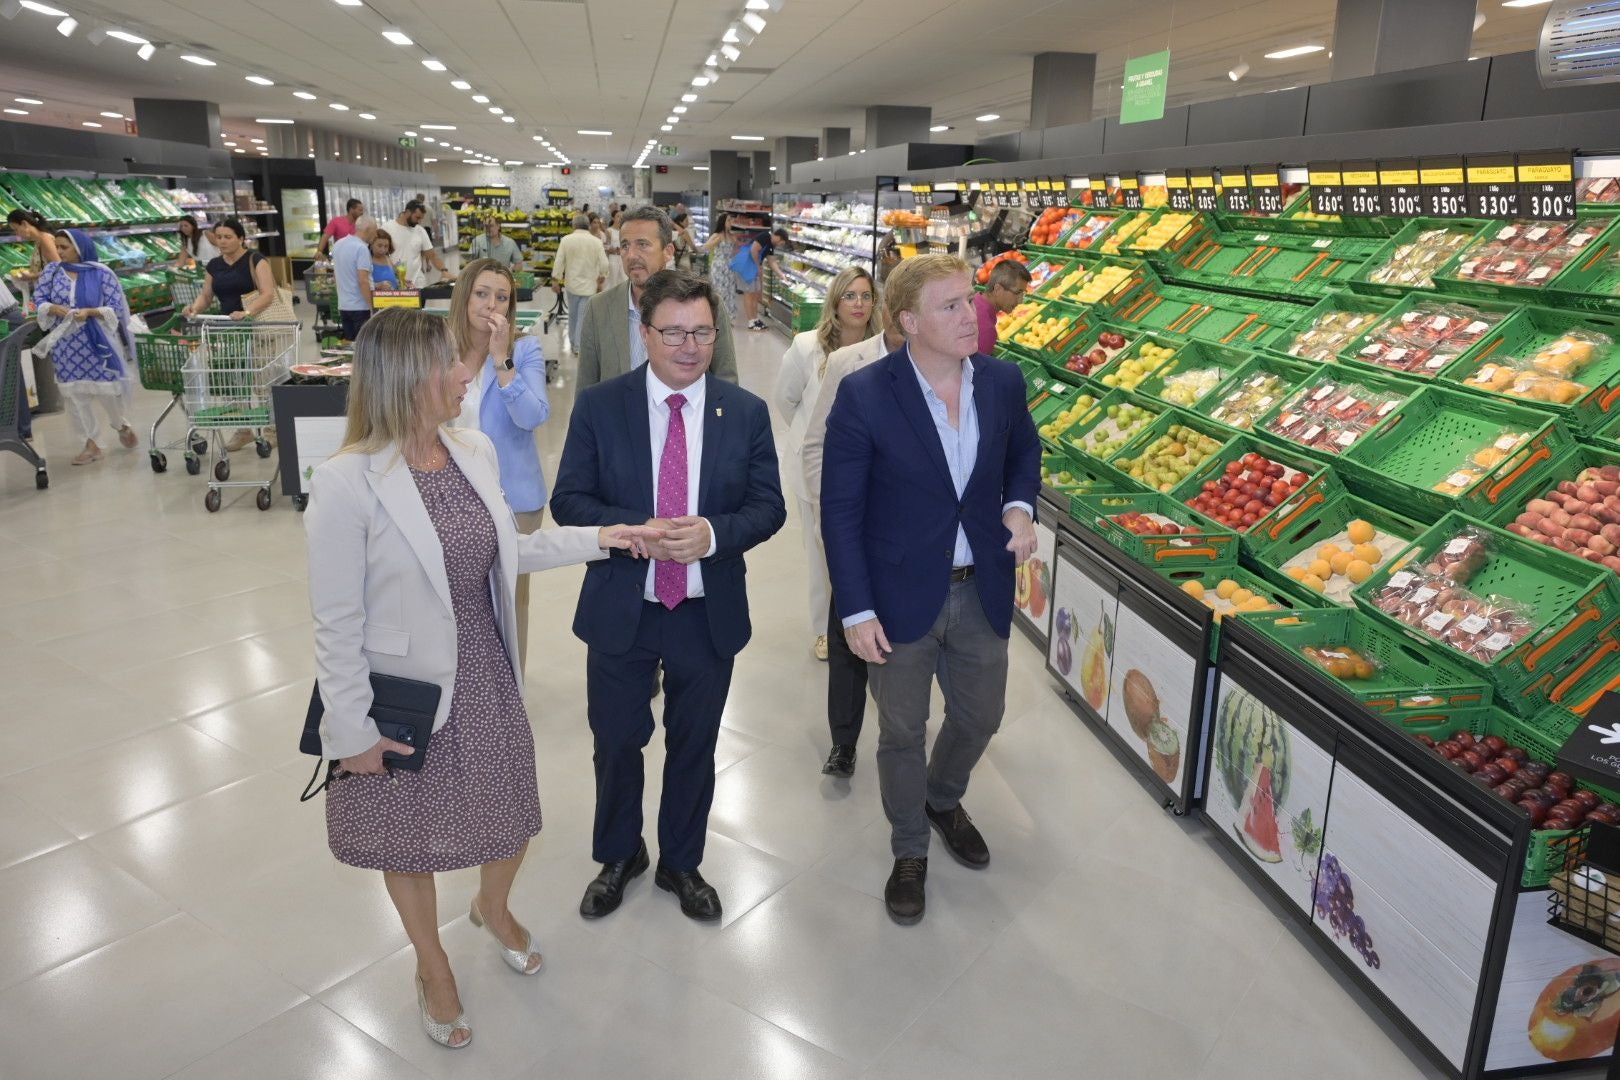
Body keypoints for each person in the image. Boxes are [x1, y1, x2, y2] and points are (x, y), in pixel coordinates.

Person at [305, 308, 657, 1052]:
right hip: (399, 692)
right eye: (452, 364)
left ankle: (491, 909)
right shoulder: (344, 484)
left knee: (512, 814)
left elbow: (510, 552)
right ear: (408, 379)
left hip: (485, 667)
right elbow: (335, 624)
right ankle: (432, 965)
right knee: (406, 837)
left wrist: (605, 538)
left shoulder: (472, 449)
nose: (469, 373)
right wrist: (351, 734)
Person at [551, 270, 786, 923]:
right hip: (623, 605)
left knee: (695, 742)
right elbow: (569, 500)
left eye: (702, 332)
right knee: (617, 740)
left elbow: (769, 507)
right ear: (646, 333)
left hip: (706, 610)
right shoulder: (603, 406)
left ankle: (682, 860)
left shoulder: (744, 412)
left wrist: (713, 533)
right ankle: (620, 854)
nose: (689, 345)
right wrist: (631, 530)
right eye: (674, 332)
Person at [820, 253, 1040, 925]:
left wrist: (1019, 507)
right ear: (909, 321)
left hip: (981, 589)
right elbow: (841, 509)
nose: (971, 313)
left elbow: (1024, 453)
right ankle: (909, 845)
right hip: (896, 594)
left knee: (980, 716)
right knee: (901, 731)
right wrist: (855, 609)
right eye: (949, 305)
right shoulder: (865, 394)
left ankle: (942, 798)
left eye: (969, 299)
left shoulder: (1002, 383)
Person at [801, 311, 910, 777]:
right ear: (897, 314)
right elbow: (815, 443)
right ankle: (843, 741)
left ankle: (904, 736)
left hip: (911, 532)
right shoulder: (848, 362)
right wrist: (832, 511)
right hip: (854, 522)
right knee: (848, 628)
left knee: (907, 638)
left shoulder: (945, 362)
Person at [447, 258, 553, 670]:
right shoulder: (441, 346)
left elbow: (532, 416)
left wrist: (500, 359)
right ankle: (466, 680)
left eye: (502, 297)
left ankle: (511, 684)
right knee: (456, 595)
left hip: (514, 498)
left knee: (510, 598)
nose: (492, 303)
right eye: (482, 293)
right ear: (464, 295)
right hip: (451, 495)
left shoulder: (525, 349)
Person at [772, 266, 880, 663]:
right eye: (850, 295)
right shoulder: (807, 346)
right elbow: (785, 400)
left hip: (867, 467)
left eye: (866, 296)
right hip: (816, 466)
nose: (858, 304)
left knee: (861, 546)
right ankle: (824, 629)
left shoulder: (881, 348)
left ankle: (861, 616)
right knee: (821, 551)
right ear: (835, 300)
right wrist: (810, 438)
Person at [575, 206, 738, 389]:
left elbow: (726, 380)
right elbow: (585, 388)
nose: (631, 255)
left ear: (668, 251)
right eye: (625, 246)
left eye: (642, 244)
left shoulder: (707, 305)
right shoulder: (599, 308)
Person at [33, 229, 139, 466]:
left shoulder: (102, 274)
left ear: (80, 248)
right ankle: (91, 444)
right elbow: (39, 300)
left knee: (106, 391)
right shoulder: (51, 272)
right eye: (57, 247)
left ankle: (120, 424)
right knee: (74, 395)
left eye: (64, 247)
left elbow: (115, 309)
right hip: (65, 344)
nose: (59, 252)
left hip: (97, 341)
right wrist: (52, 308)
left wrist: (90, 312)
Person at [550, 213, 608, 356]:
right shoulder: (596, 241)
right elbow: (605, 264)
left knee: (573, 315)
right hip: (589, 286)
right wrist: (602, 277)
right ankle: (577, 346)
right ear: (587, 225)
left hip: (572, 284)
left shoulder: (566, 240)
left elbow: (559, 261)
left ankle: (573, 341)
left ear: (574, 225)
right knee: (583, 316)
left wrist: (555, 279)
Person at [331, 215, 380, 342]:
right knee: (363, 348)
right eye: (375, 231)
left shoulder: (338, 244)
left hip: (343, 306)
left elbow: (336, 276)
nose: (375, 235)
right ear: (367, 229)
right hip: (360, 307)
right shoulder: (361, 248)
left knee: (350, 347)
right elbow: (363, 281)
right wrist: (371, 307)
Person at [972, 259, 1032, 356]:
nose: (1020, 301)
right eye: (1017, 293)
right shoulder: (987, 331)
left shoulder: (976, 300)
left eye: (1023, 294)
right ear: (998, 289)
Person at [382, 202, 446, 288]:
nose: (419, 221)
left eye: (421, 219)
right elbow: (379, 255)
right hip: (394, 284)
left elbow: (432, 255)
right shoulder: (387, 228)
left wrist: (444, 270)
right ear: (408, 212)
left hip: (417, 284)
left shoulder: (420, 231)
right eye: (417, 217)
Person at [1, 271, 33, 442]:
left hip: (4, 319)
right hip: (9, 314)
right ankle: (21, 429)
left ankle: (18, 430)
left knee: (9, 376)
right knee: (11, 374)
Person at [740, 227, 791, 331]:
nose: (781, 245)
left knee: (754, 294)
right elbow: (753, 249)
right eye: (782, 242)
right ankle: (751, 321)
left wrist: (782, 276)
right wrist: (757, 266)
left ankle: (755, 319)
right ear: (779, 238)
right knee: (749, 294)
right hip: (747, 266)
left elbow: (772, 262)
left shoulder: (771, 246)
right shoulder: (765, 236)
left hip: (752, 267)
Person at [701, 212, 739, 322]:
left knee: (730, 292)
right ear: (723, 222)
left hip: (730, 268)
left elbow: (735, 251)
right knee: (720, 292)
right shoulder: (717, 235)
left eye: (731, 221)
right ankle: (718, 317)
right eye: (729, 220)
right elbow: (705, 247)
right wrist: (715, 242)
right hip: (718, 267)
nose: (731, 223)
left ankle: (728, 317)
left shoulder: (732, 236)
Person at [6, 209, 60, 284]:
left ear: (24, 224)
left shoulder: (45, 239)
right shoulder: (39, 240)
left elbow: (59, 269)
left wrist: (32, 277)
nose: (17, 234)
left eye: (16, 229)